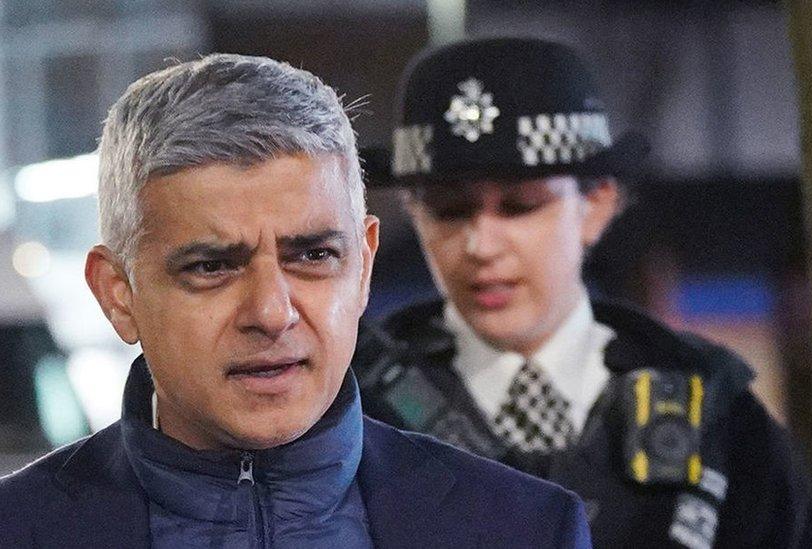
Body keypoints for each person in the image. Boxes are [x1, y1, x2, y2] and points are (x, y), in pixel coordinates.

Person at [0, 53, 591, 548]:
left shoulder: (526, 530)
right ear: (117, 294)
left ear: (363, 266)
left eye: (311, 256)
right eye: (211, 266)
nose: (271, 313)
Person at [354, 38, 812, 548]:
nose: (481, 245)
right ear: (412, 212)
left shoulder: (721, 417)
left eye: (519, 206)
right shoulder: (355, 410)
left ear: (597, 204)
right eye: (448, 210)